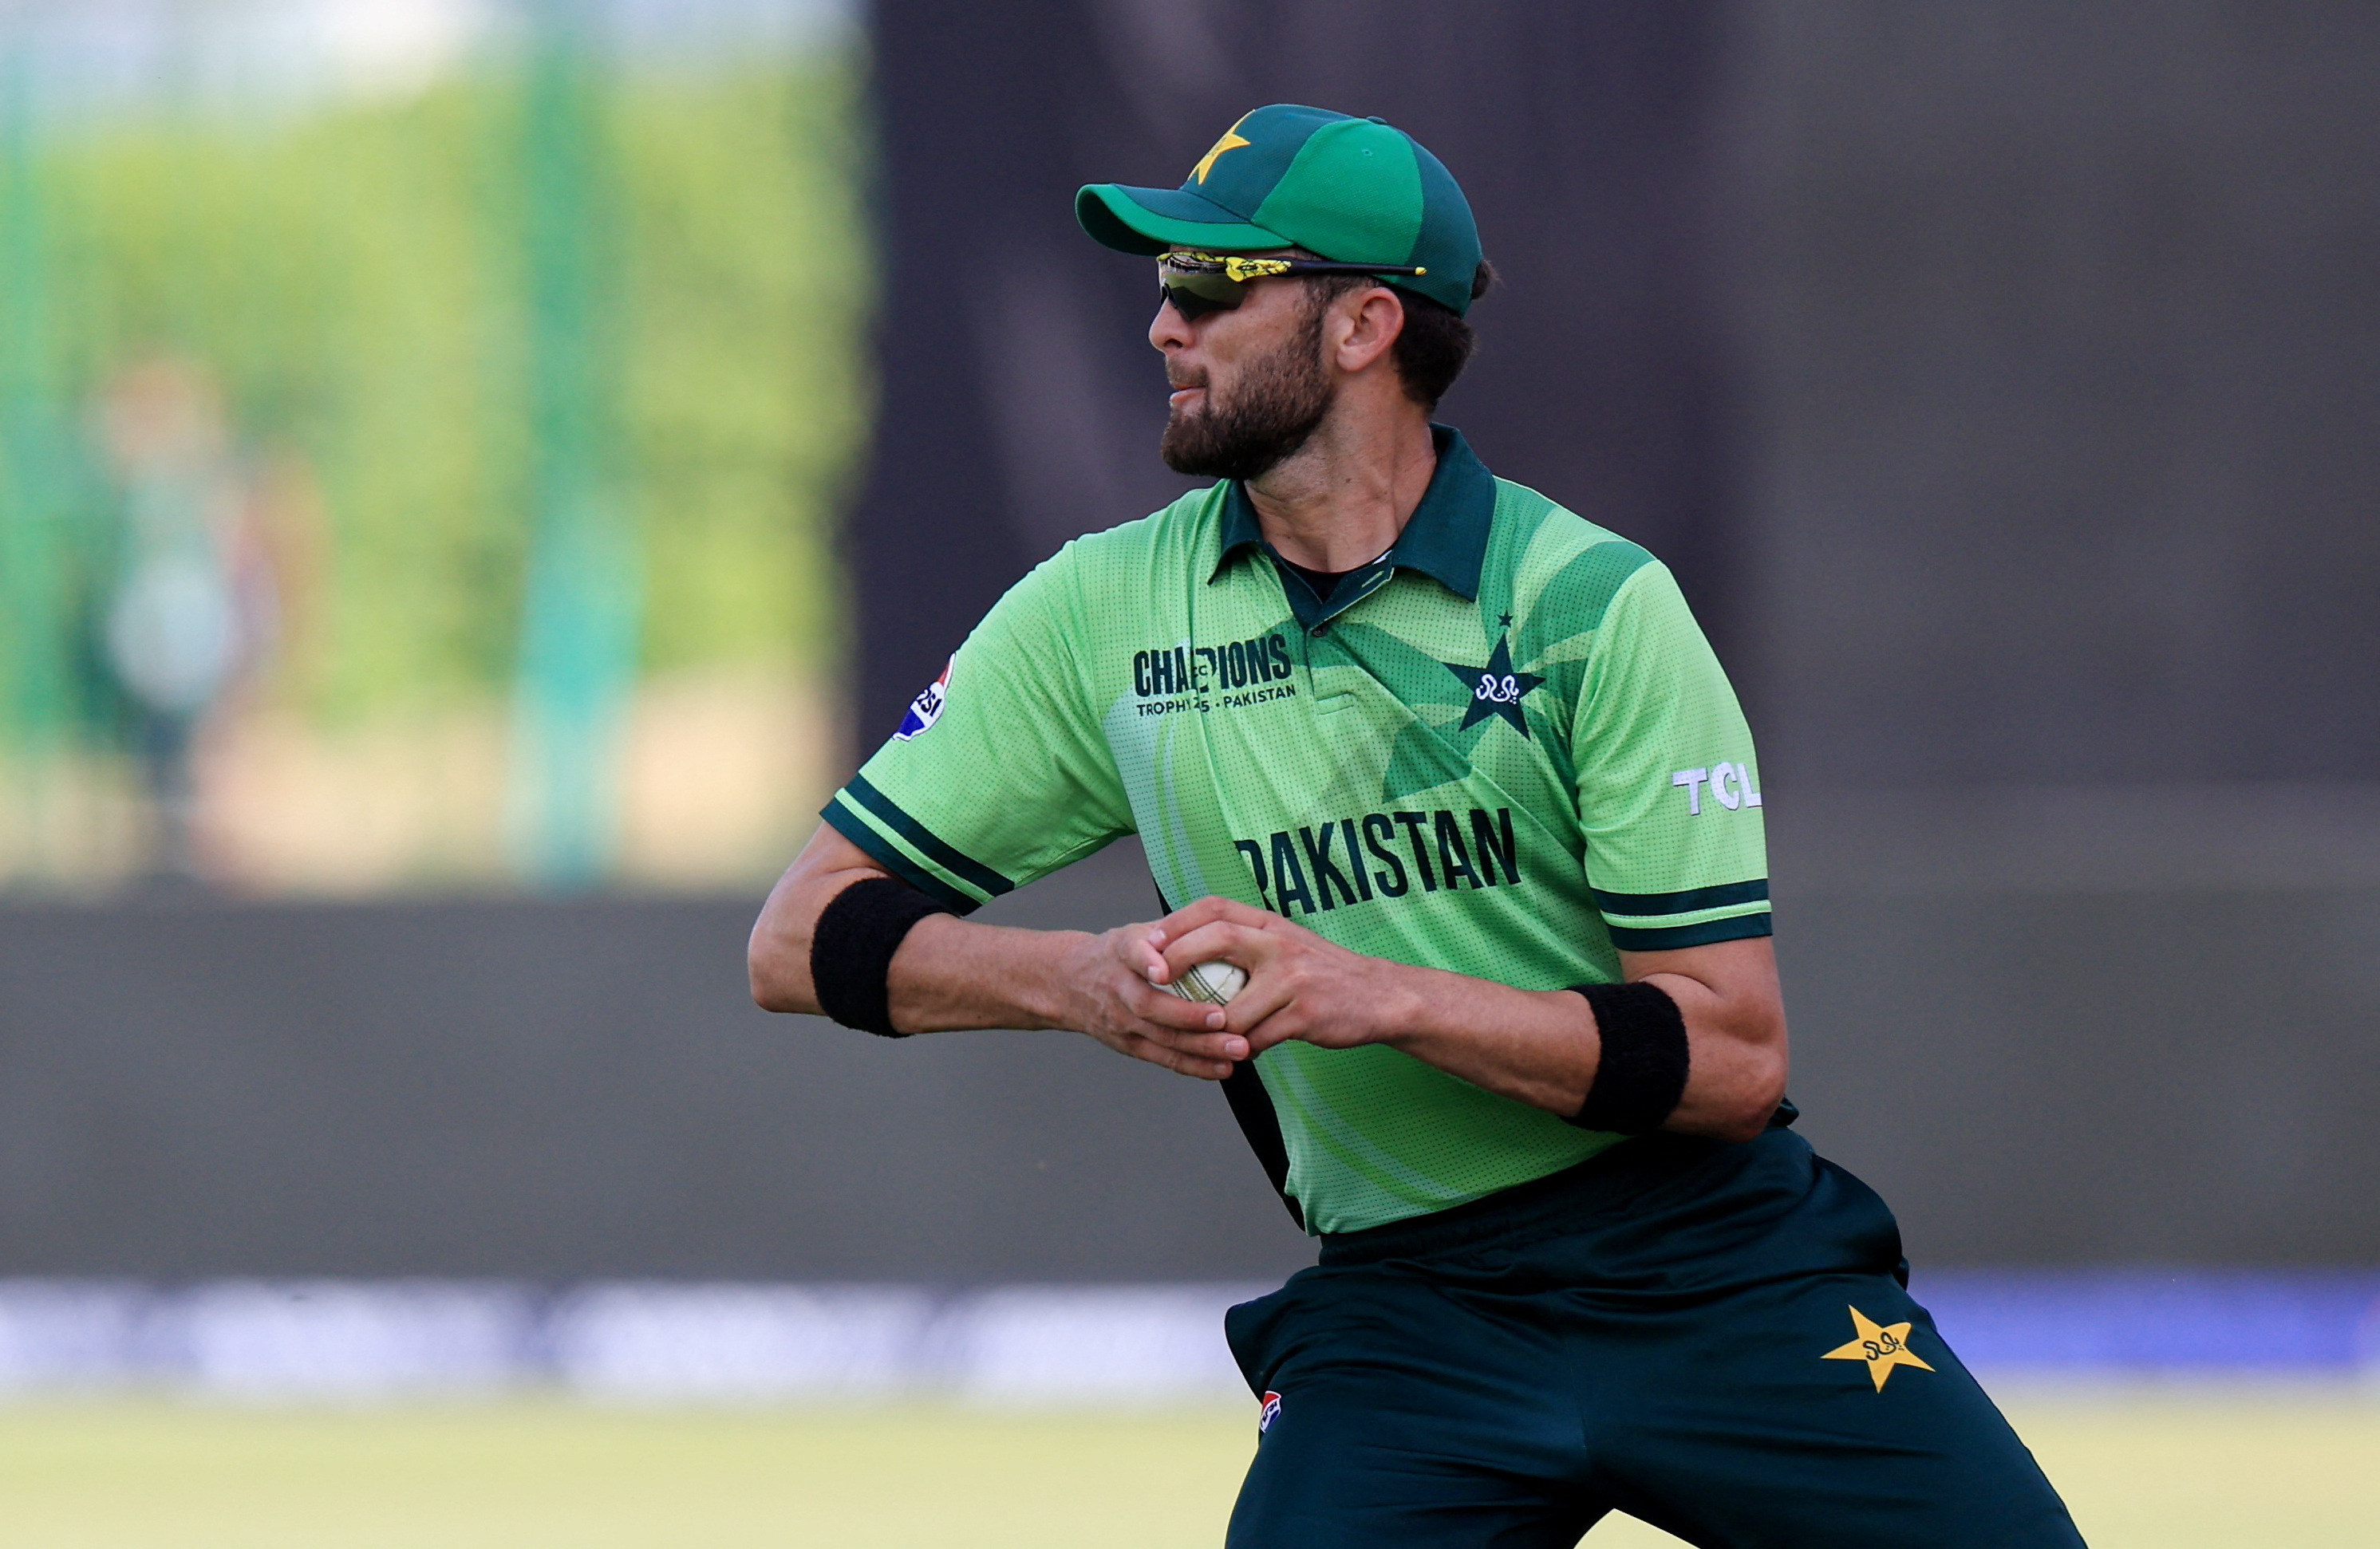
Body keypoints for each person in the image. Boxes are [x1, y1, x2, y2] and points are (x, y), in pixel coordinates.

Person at [750, 104, 2083, 1548]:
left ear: (1364, 324)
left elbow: (1733, 1058)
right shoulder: (1098, 612)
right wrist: (1075, 983)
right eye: (1160, 285)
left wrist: (1376, 993)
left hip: (1713, 1267)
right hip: (1407, 1315)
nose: (1159, 325)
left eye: (1208, 285)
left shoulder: (1592, 604)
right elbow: (797, 934)